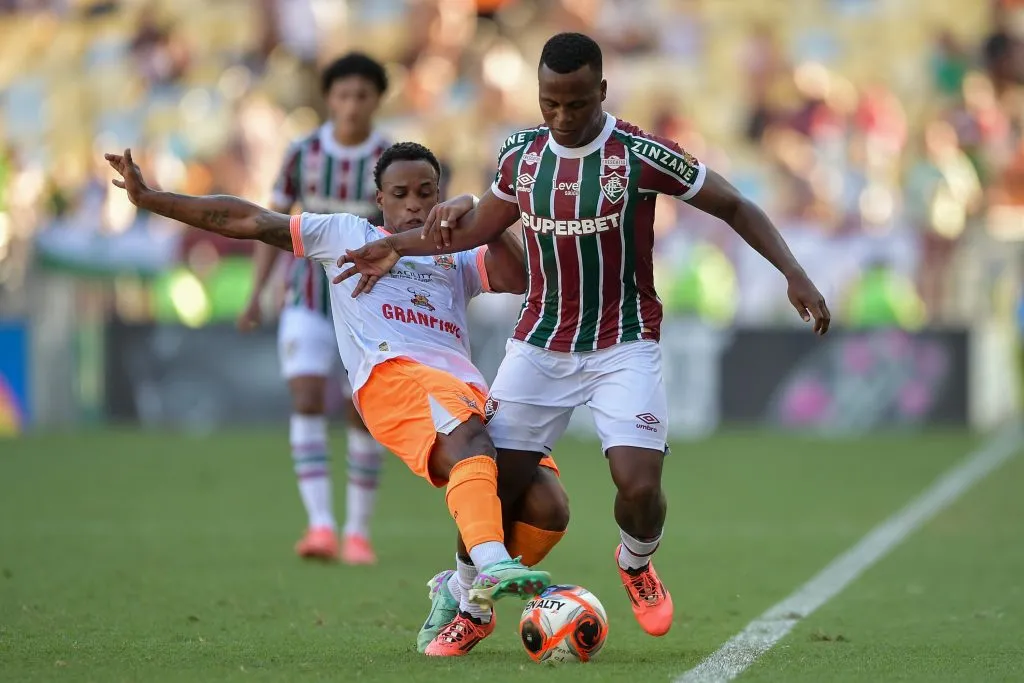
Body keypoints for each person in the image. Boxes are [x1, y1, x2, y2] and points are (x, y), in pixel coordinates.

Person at [334, 32, 832, 638]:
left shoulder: (643, 154)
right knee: (498, 481)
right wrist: (393, 244)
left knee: (639, 485)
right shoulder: (520, 155)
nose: (562, 117)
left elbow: (735, 206)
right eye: (550, 104)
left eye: (575, 103)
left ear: (601, 92)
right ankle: (468, 603)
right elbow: (476, 229)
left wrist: (794, 272)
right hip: (540, 343)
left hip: (624, 341)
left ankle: (636, 563)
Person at [105, 141, 563, 653]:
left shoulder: (452, 248)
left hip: (463, 388)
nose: (414, 204)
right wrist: (152, 199)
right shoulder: (347, 232)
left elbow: (522, 277)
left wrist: (483, 219)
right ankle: (492, 569)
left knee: (548, 507)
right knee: (471, 443)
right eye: (401, 193)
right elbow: (249, 220)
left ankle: (458, 592)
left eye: (426, 192)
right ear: (379, 199)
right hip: (391, 377)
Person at [237, 53, 391, 564]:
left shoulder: (390, 159)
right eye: (342, 95)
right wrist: (257, 292)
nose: (351, 105)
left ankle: (359, 532)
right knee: (305, 395)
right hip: (305, 295)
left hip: (368, 303)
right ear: (329, 98)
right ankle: (321, 525)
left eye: (361, 96)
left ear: (376, 100)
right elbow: (269, 225)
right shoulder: (302, 153)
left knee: (361, 413)